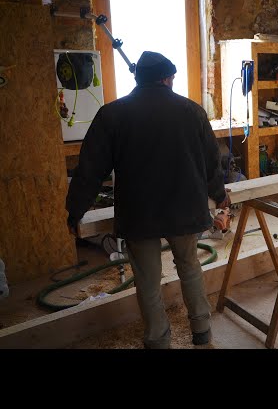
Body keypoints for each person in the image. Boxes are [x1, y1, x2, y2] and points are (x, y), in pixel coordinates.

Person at [66, 51, 230, 348]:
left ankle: (158, 340)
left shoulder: (112, 114)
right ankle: (202, 330)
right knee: (190, 267)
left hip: (140, 214)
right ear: (167, 78)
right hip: (185, 209)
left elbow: (89, 170)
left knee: (147, 280)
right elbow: (211, 165)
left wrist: (74, 211)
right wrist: (221, 197)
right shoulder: (192, 111)